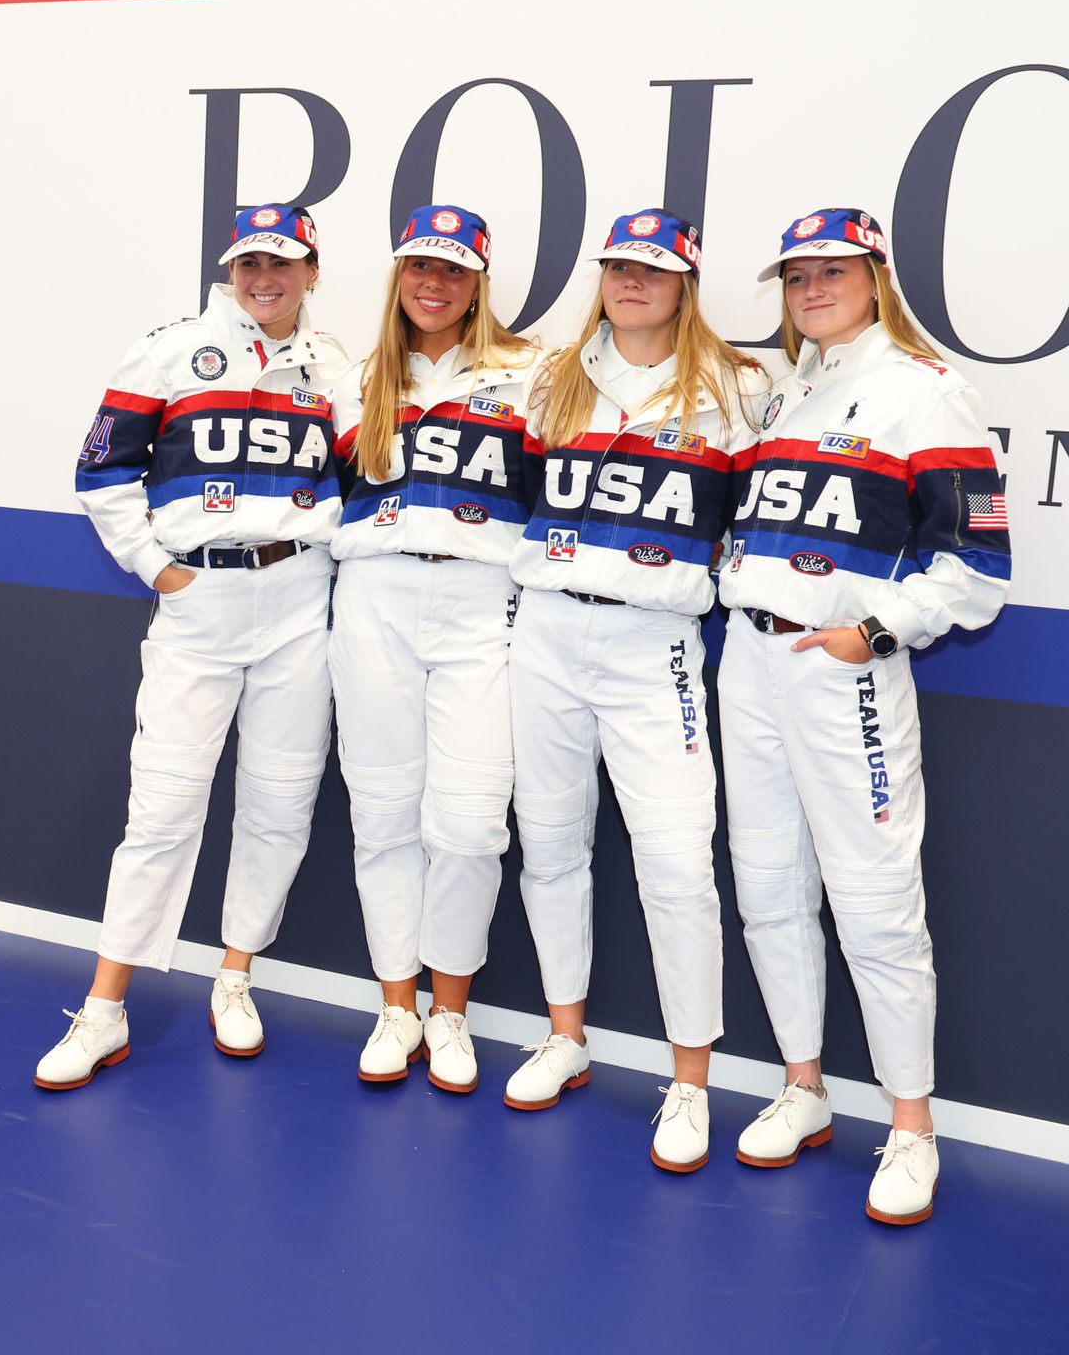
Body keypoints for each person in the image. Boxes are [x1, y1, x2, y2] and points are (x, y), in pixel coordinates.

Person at [717, 207, 1011, 1222]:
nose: (809, 290)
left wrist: (874, 633)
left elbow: (976, 566)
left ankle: (912, 1127)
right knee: (766, 888)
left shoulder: (925, 393)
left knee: (876, 906)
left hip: (839, 673)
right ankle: (803, 1087)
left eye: (830, 272)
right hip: (747, 663)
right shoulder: (791, 388)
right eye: (796, 276)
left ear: (875, 277)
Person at [35, 204, 349, 1089]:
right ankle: (103, 1009)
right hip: (200, 602)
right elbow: (100, 468)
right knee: (163, 811)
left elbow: (363, 475)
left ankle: (235, 976)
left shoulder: (336, 366)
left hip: (299, 599)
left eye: (282, 265)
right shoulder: (170, 348)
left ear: (312, 273)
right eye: (249, 263)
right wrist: (156, 567)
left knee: (280, 803)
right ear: (230, 269)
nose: (263, 279)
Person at [503, 209, 768, 1172]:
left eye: (653, 268)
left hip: (654, 639)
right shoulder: (554, 375)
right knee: (549, 842)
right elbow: (523, 499)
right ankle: (564, 1034)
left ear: (686, 283)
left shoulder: (737, 387)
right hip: (544, 628)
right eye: (618, 265)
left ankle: (690, 1078)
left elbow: (755, 519)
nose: (632, 280)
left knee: (675, 864)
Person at [329, 204, 545, 1094]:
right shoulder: (357, 380)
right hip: (374, 595)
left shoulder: (531, 375)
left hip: (480, 599)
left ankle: (448, 1011)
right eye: (420, 265)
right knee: (381, 812)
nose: (433, 283)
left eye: (453, 270)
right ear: (398, 274)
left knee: (467, 822)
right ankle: (396, 1005)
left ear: (479, 283)